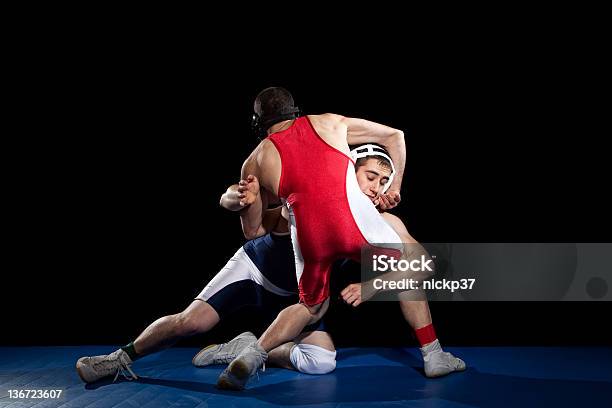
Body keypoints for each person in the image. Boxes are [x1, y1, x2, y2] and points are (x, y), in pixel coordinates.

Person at [217, 87, 436, 390]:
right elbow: (252, 226)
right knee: (193, 321)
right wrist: (234, 199)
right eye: (371, 177)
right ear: (347, 167)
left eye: (384, 182)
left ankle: (249, 349)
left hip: (306, 310)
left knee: (320, 362)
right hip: (270, 283)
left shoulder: (384, 224)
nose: (377, 188)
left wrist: (371, 287)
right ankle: (248, 348)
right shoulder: (297, 208)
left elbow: (424, 266)